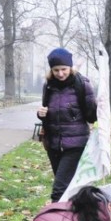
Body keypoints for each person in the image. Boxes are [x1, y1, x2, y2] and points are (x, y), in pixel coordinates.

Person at [37, 47, 97, 202]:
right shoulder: (48, 86)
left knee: (58, 191)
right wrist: (41, 114)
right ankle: (77, 217)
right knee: (68, 188)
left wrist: (98, 107)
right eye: (56, 70)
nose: (60, 73)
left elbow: (92, 117)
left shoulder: (82, 85)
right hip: (53, 145)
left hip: (75, 145)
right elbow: (48, 116)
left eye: (63, 69)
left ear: (70, 67)